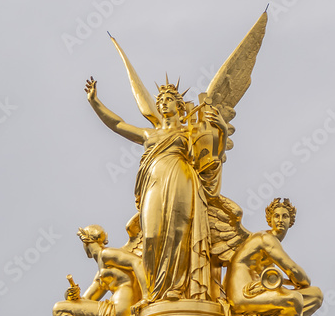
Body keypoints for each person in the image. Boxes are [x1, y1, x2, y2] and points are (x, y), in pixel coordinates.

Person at [85, 77, 228, 303]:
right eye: (160, 100)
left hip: (181, 180)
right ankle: (154, 290)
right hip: (153, 184)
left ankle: (178, 287)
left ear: (180, 106)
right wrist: (95, 102)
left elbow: (213, 158)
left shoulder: (189, 132)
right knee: (152, 235)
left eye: (169, 99)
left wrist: (221, 129)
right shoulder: (148, 135)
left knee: (180, 233)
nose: (163, 103)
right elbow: (118, 124)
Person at [224, 198, 323, 316]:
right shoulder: (265, 239)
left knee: (315, 295)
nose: (280, 220)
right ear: (269, 219)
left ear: (291, 221)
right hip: (242, 295)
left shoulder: (269, 244)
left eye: (285, 216)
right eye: (276, 216)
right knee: (295, 300)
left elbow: (272, 278)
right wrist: (297, 281)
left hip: (257, 291)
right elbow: (295, 272)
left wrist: (291, 281)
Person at [52, 225, 144, 316]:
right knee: (63, 307)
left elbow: (138, 263)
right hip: (115, 313)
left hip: (118, 313)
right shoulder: (101, 273)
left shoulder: (107, 254)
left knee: (58, 309)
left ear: (86, 241)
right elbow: (84, 302)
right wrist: (71, 296)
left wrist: (147, 296)